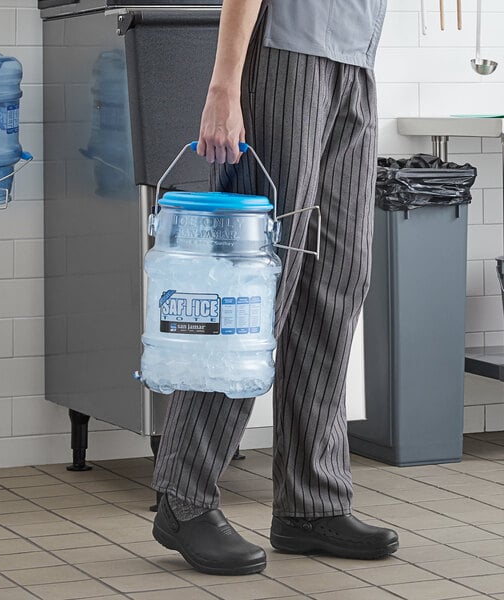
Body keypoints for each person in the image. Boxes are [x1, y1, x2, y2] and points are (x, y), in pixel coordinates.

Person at [151, 0, 399, 576]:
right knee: (253, 288)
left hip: (354, 64)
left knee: (336, 278)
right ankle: (183, 496)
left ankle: (310, 503)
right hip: (283, 60)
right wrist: (223, 88)